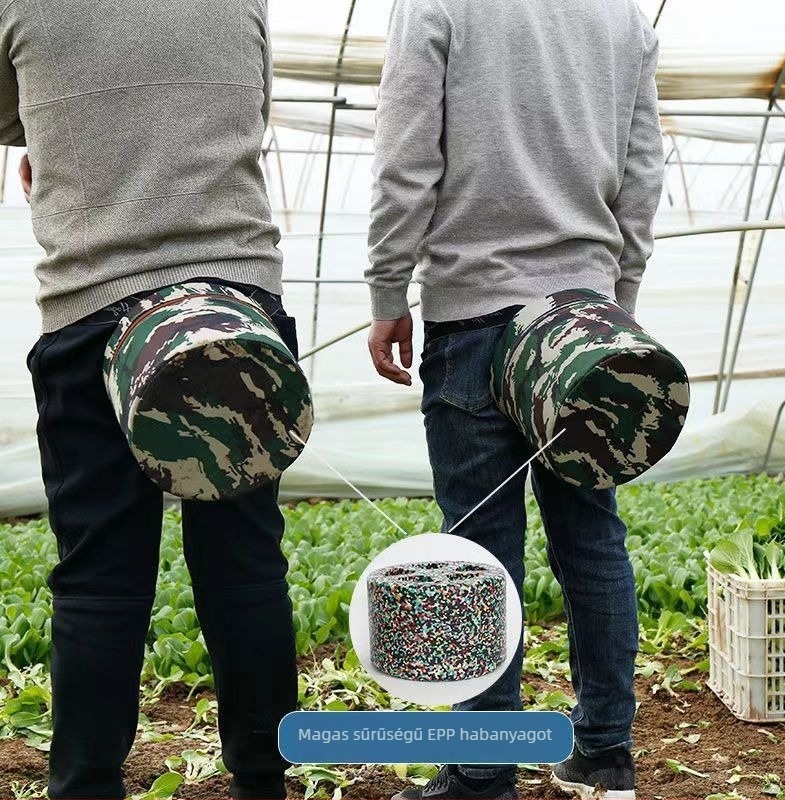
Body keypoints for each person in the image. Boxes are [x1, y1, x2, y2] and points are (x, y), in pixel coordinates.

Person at [366, 0, 663, 798]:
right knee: (592, 538)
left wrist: (388, 289)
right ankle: (605, 753)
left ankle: (484, 772)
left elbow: (406, 154)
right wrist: (615, 303)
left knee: (479, 552)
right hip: (582, 321)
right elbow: (642, 171)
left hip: (475, 314)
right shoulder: (621, 14)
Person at [1, 3, 297, 798]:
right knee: (245, 564)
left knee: (99, 575)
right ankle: (264, 782)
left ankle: (87, 785)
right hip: (234, 301)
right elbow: (251, 106)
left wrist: (55, 136)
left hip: (96, 303)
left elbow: (12, 109)